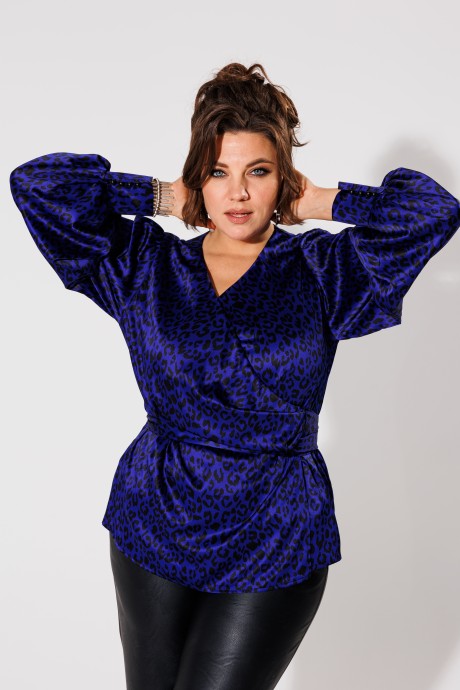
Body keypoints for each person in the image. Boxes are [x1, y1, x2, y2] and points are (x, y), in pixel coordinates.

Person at [10, 62, 460, 690]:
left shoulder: (325, 269)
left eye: (259, 172)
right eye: (219, 172)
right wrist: (164, 197)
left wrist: (320, 200)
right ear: (199, 175)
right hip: (156, 514)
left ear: (283, 178)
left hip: (276, 528)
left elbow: (433, 210)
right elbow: (38, 184)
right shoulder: (146, 263)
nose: (238, 194)